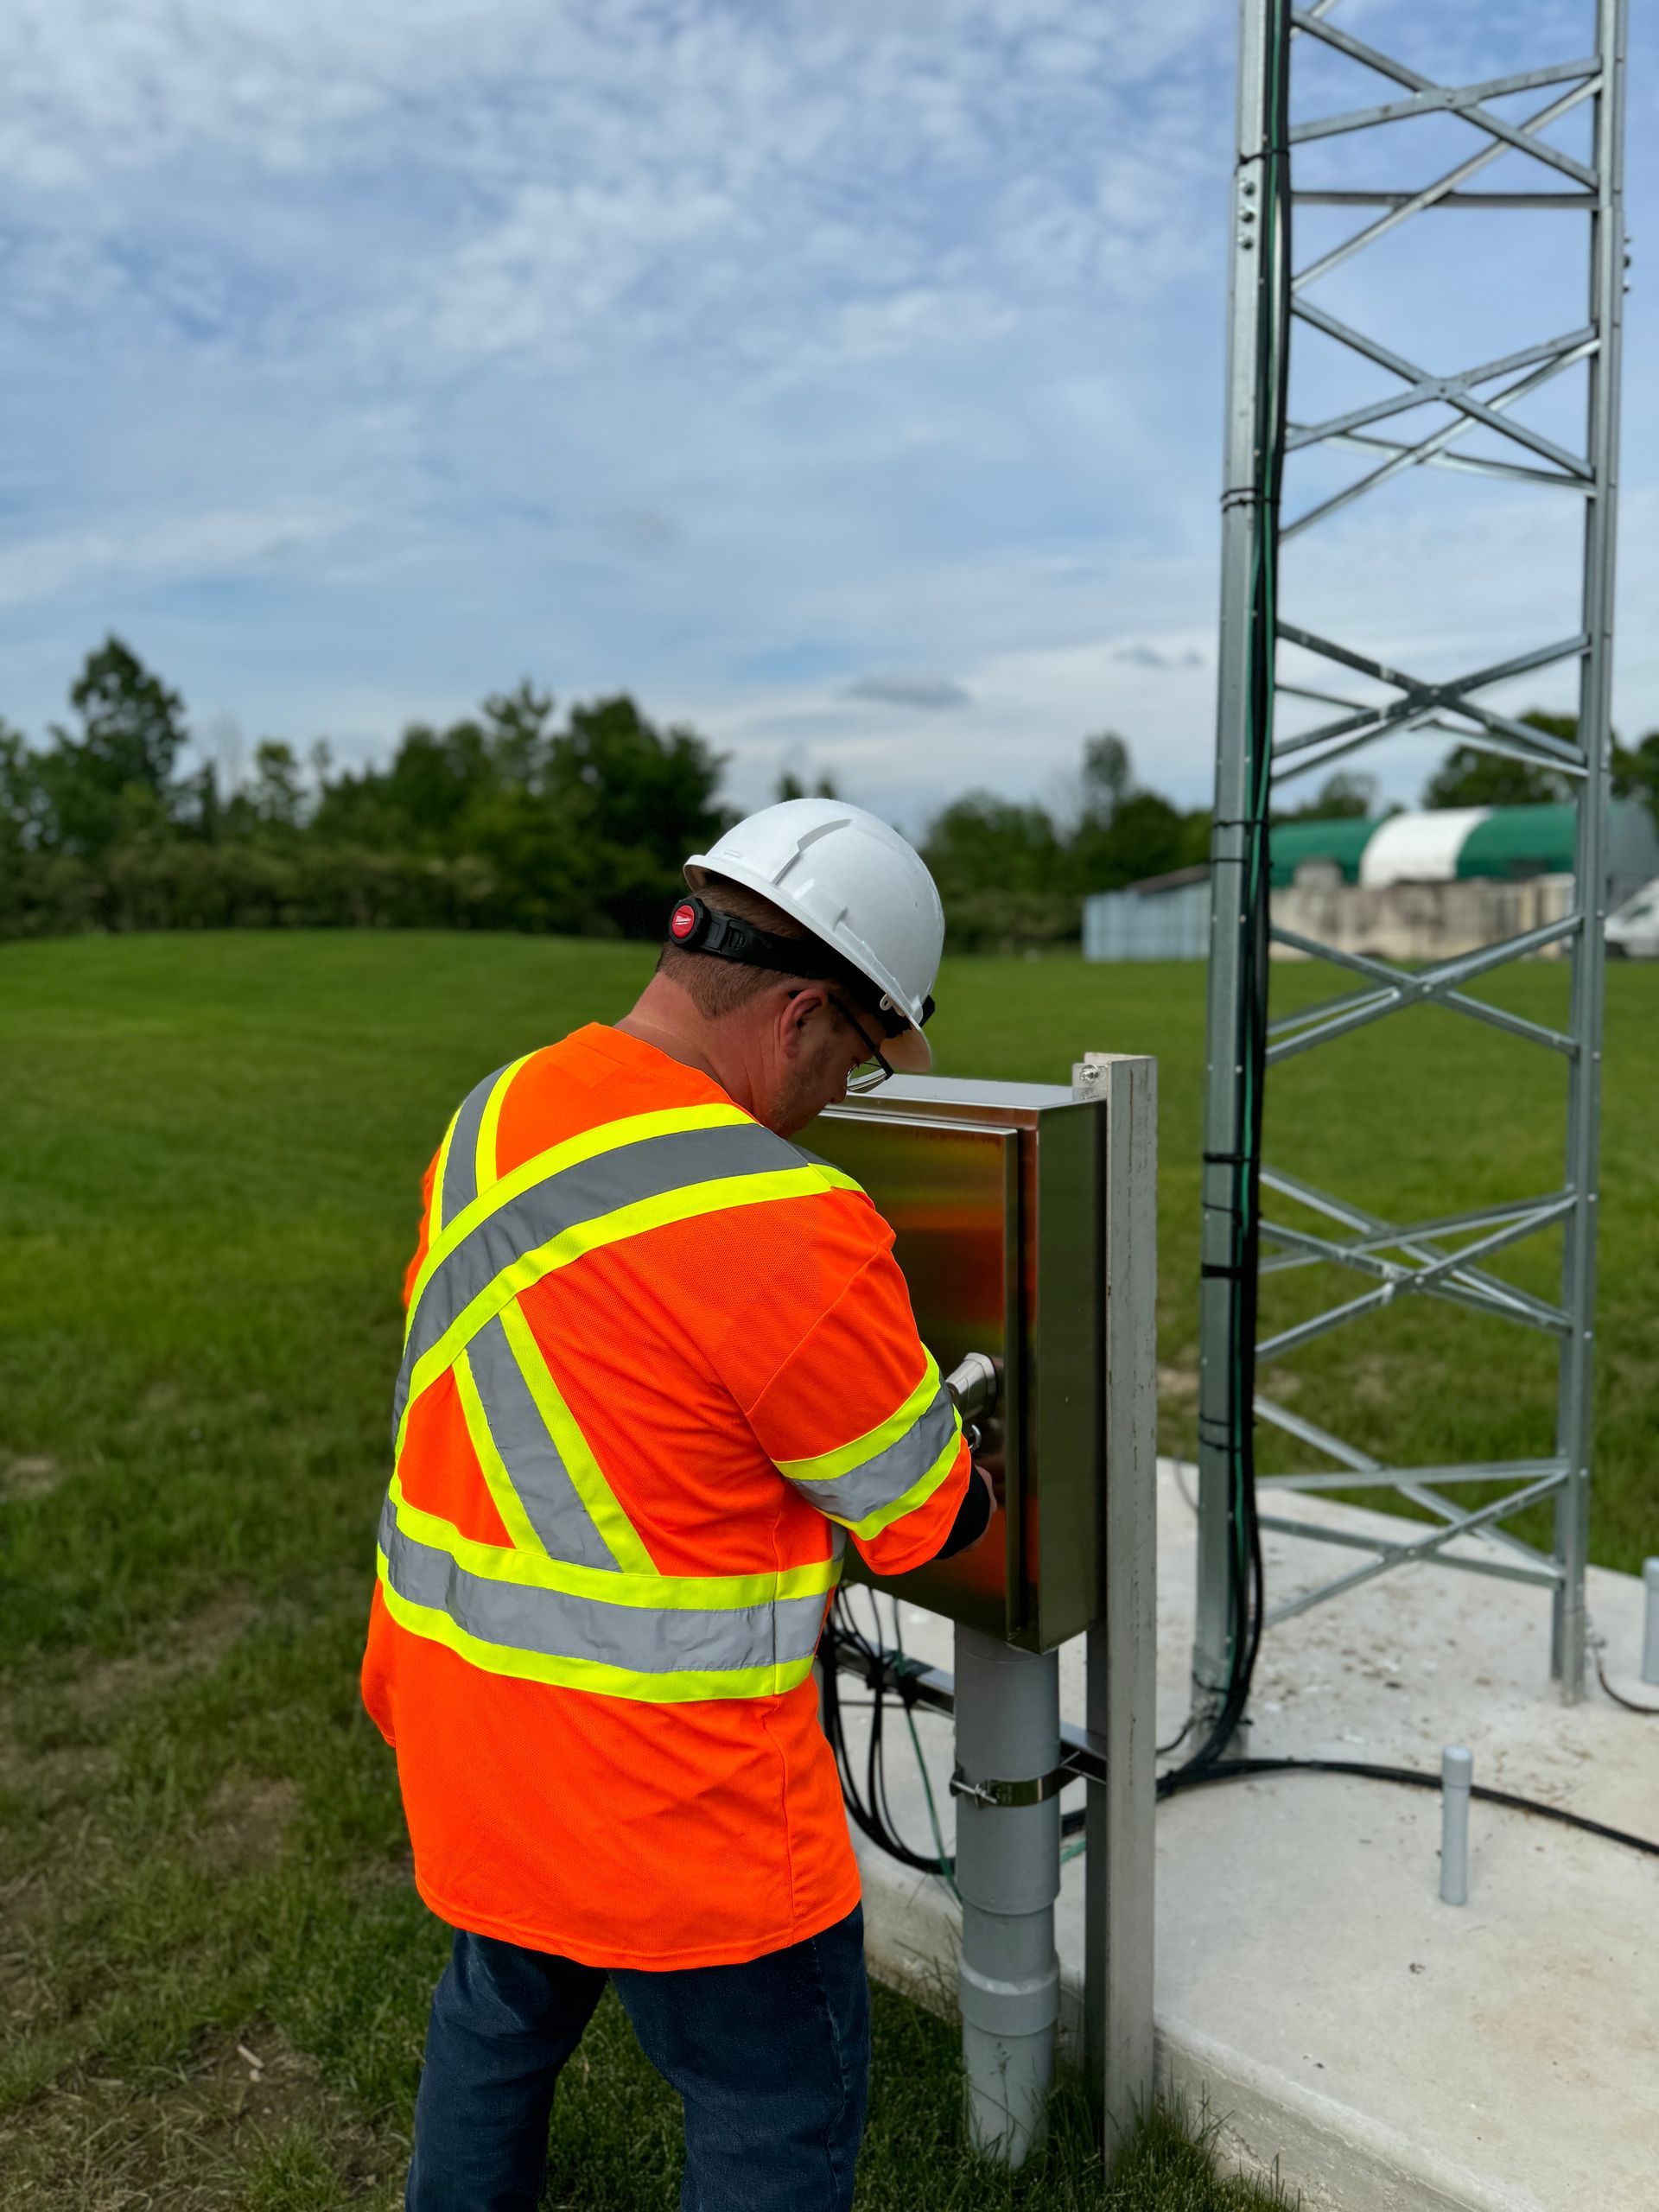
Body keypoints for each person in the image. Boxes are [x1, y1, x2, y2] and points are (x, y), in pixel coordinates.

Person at [360, 798, 996, 2212]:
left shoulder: (496, 1111)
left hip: (472, 1730)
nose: (844, 1095)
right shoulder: (789, 1221)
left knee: (495, 2023)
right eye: (858, 1060)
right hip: (681, 1808)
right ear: (801, 1015)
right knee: (775, 2094)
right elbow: (926, 1515)